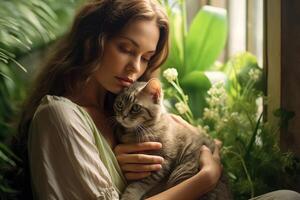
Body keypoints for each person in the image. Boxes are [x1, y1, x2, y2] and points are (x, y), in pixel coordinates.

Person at [15, 0, 300, 199]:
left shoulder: (120, 106)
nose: (135, 68)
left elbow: (204, 144)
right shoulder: (60, 117)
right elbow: (206, 168)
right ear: (94, 40)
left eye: (146, 58)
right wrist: (205, 180)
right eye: (126, 48)